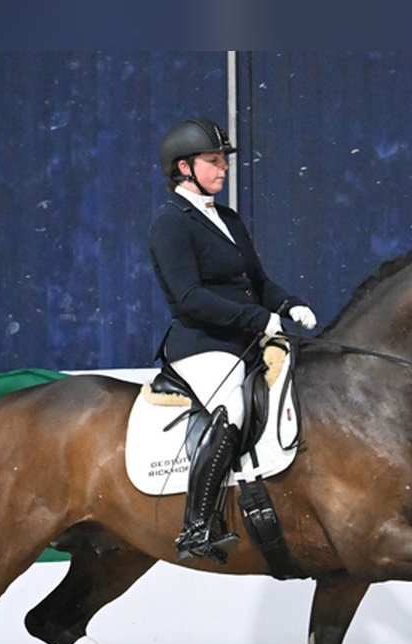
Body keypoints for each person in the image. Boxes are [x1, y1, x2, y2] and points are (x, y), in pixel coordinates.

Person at [149, 117, 317, 563]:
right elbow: (189, 299)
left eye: (223, 160)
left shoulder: (226, 218)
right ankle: (196, 526)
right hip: (202, 343)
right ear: (184, 167)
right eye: (213, 161)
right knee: (234, 410)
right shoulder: (170, 224)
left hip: (245, 336)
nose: (223, 168)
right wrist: (258, 319)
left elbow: (258, 281)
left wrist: (288, 305)